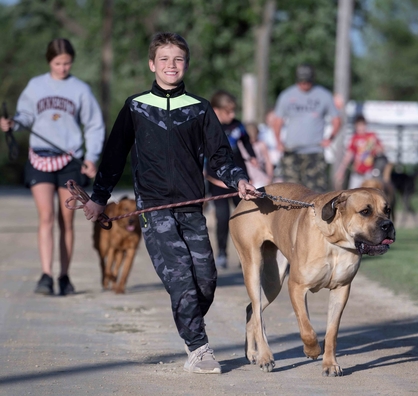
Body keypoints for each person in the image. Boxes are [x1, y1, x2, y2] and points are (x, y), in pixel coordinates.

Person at [82, 32, 257, 374]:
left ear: (186, 64)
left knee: (205, 280)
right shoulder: (135, 107)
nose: (171, 65)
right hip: (154, 208)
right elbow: (114, 156)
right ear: (152, 64)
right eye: (164, 59)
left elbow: (221, 155)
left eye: (177, 59)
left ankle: (188, 319)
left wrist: (238, 179)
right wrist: (98, 199)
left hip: (192, 206)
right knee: (180, 279)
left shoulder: (199, 108)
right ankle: (198, 349)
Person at [0, 38, 105, 296]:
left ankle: (65, 276)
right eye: (58, 63)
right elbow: (25, 116)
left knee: (65, 219)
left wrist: (92, 156)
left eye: (67, 63)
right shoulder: (36, 86)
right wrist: (13, 123)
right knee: (46, 217)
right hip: (40, 159)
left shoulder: (80, 89)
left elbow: (94, 125)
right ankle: (46, 275)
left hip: (70, 161)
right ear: (49, 61)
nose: (63, 68)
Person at [205, 90, 257, 270]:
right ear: (216, 110)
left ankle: (249, 255)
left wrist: (252, 156)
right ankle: (221, 253)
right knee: (222, 217)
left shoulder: (237, 126)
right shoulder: (208, 127)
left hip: (239, 179)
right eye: (228, 111)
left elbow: (246, 142)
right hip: (217, 181)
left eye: (233, 111)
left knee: (245, 216)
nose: (232, 115)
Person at [272, 64, 341, 192]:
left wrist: (330, 138)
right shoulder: (287, 95)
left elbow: (336, 119)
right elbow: (277, 121)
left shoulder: (323, 95)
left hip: (314, 152)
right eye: (301, 82)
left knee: (317, 192)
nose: (304, 85)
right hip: (292, 151)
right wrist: (278, 142)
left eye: (307, 81)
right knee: (291, 192)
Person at [336, 114, 385, 189]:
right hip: (357, 172)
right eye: (358, 126)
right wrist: (341, 170)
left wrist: (376, 147)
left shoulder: (371, 136)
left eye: (362, 125)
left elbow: (381, 150)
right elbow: (348, 155)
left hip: (368, 173)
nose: (360, 128)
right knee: (353, 193)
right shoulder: (354, 138)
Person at [243, 122, 274, 188]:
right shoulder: (241, 146)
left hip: (261, 179)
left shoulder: (261, 144)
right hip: (248, 181)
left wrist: (270, 176)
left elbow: (268, 161)